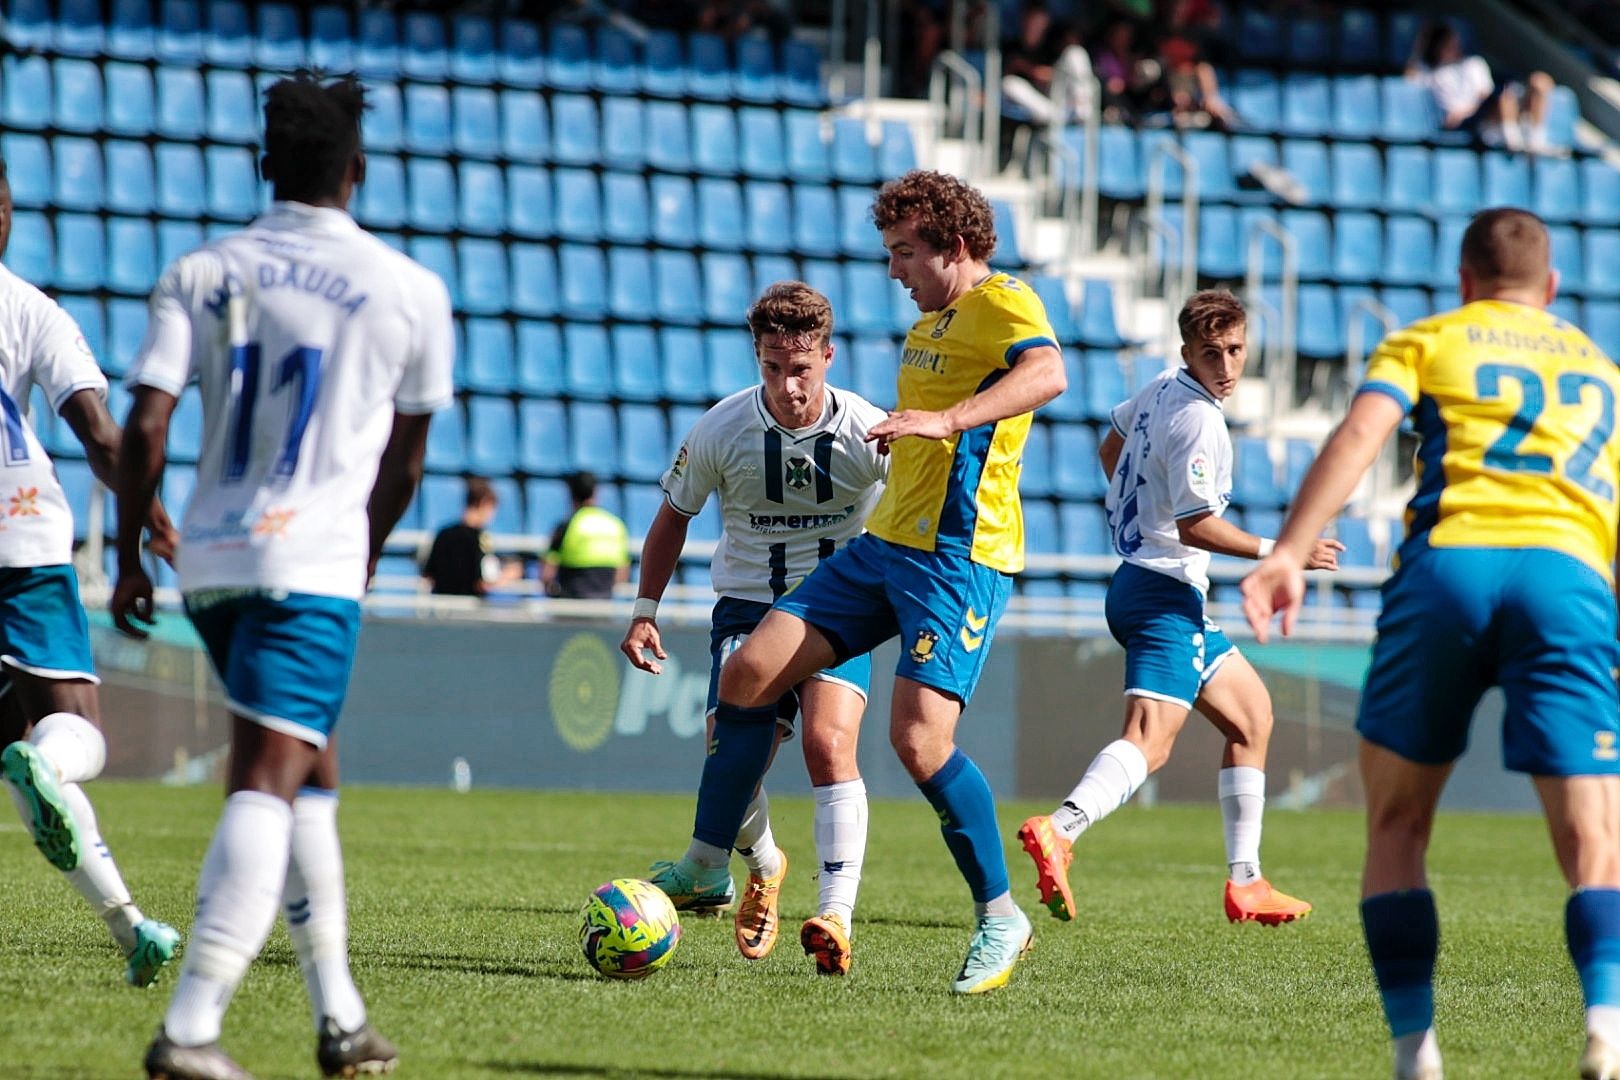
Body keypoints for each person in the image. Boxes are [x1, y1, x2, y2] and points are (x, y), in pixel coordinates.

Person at [112, 73, 454, 1080]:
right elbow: (406, 467)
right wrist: (360, 549)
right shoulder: (409, 289)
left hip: (210, 563)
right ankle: (190, 1030)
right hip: (310, 565)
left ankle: (340, 1019)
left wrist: (134, 548)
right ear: (358, 169)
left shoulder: (202, 270)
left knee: (312, 770)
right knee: (267, 779)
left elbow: (144, 425)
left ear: (266, 164)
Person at [1242, 208, 1620, 1080]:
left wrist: (1292, 552)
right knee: (1595, 839)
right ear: (1552, 289)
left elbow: (1360, 437)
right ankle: (1603, 1024)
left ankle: (1418, 1055)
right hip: (1567, 578)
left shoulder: (1430, 339)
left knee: (1399, 821)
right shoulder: (1598, 367)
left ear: (1463, 281)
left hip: (1450, 563)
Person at [665, 169, 1065, 994]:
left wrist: (946, 421)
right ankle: (710, 868)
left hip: (958, 557)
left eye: (905, 252)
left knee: (918, 742)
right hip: (884, 546)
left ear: (954, 247)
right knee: (746, 674)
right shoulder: (937, 320)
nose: (894, 270)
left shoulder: (1004, 302)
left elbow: (1048, 374)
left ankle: (1000, 915)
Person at [1018, 290, 1336, 930]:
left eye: (1236, 349)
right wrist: (1284, 550)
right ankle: (1059, 827)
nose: (1226, 364)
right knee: (1150, 741)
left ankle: (1246, 883)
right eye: (1211, 352)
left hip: (1151, 584)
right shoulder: (1200, 420)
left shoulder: (1163, 387)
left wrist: (1136, 511)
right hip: (1163, 590)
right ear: (1188, 350)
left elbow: (1111, 446)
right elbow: (1196, 526)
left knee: (1252, 716)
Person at [621, 281, 888, 975]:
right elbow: (673, 516)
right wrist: (644, 612)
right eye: (772, 367)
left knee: (829, 746)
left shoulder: (868, 432)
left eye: (800, 369)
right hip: (747, 607)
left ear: (828, 356)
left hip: (840, 611)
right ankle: (762, 866)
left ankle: (835, 912)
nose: (787, 385)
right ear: (758, 359)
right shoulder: (721, 428)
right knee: (727, 748)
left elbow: (909, 527)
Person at [0, 153, 182, 993]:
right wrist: (147, 527)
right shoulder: (31, 310)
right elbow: (106, 439)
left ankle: (131, 927)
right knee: (70, 736)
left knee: (25, 750)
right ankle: (133, 928)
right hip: (25, 537)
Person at [1406, 21, 1557, 153]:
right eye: (1447, 43)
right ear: (1437, 46)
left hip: (1484, 109)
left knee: (1540, 82)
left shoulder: (1474, 64)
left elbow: (1485, 94)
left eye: (1454, 42)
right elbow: (1410, 78)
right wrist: (1420, 45)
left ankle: (1535, 141)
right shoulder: (1432, 73)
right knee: (1506, 97)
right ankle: (1514, 144)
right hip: (1466, 120)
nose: (1453, 46)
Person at [421, 476, 519, 597]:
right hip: (470, 611)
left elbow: (428, 574)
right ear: (485, 502)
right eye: (492, 509)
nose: (491, 516)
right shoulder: (482, 538)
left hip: (444, 609)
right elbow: (484, 582)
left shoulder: (443, 533)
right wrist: (509, 575)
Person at [541, 470, 630, 600]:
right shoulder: (616, 525)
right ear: (596, 492)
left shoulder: (567, 526)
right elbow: (622, 574)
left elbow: (547, 573)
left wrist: (553, 593)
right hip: (604, 606)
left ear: (570, 494)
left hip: (571, 607)